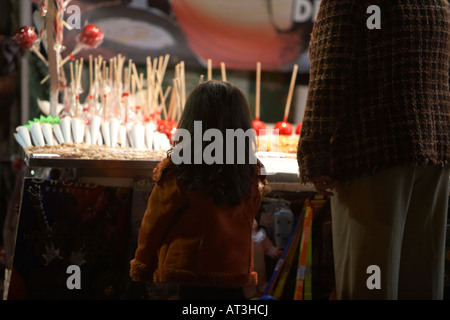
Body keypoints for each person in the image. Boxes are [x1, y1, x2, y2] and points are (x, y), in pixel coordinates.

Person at [297, 0, 449, 299]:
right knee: (420, 281)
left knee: (369, 282)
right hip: (435, 153)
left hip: (373, 154)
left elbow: (331, 71)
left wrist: (313, 151)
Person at [130, 80, 267, 300]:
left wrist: (142, 264)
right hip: (233, 270)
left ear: (192, 122)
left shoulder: (179, 169)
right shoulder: (248, 172)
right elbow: (249, 215)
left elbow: (154, 222)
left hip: (191, 270)